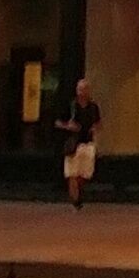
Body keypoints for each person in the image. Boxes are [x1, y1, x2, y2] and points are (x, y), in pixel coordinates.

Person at [61, 80, 102, 209]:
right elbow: (58, 121)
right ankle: (75, 201)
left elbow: (98, 123)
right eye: (79, 89)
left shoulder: (93, 107)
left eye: (84, 89)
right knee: (72, 173)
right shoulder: (71, 106)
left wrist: (95, 128)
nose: (81, 92)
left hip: (87, 143)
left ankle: (77, 193)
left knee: (84, 174)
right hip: (74, 143)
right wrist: (68, 126)